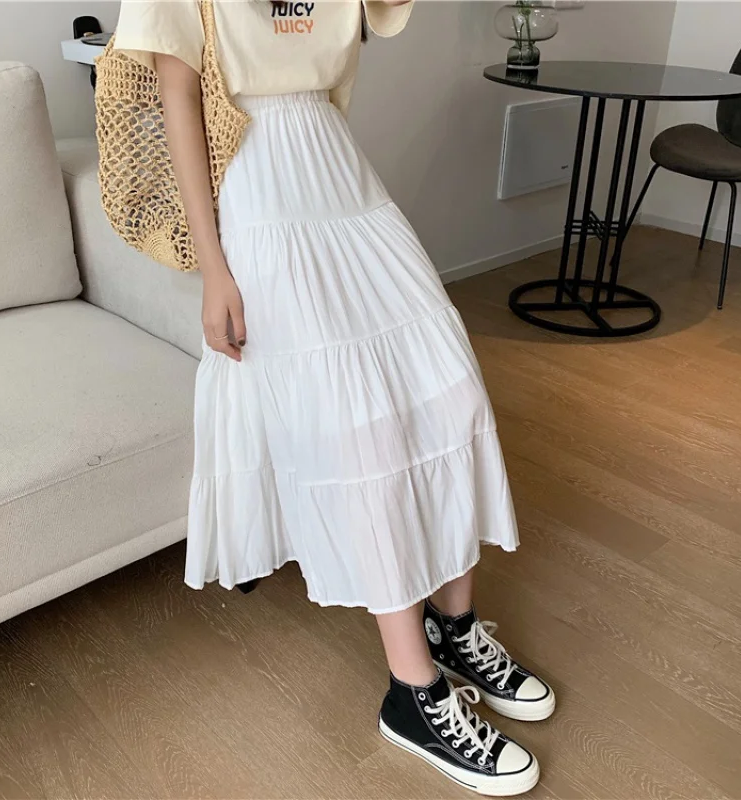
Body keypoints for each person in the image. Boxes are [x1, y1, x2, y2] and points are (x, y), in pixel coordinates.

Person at [101, 0, 554, 794]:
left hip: (340, 170)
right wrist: (214, 269)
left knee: (453, 394)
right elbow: (178, 96)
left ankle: (452, 627)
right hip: (257, 186)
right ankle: (413, 692)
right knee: (361, 432)